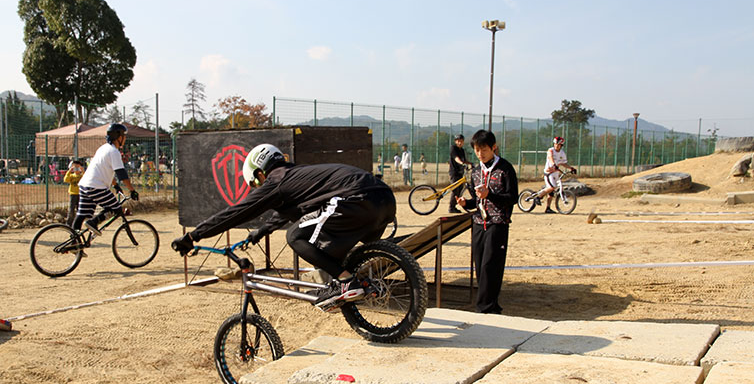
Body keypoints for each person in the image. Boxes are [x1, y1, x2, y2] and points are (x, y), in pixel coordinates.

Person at [171, 144, 396, 312]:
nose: (258, 188)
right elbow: (288, 213)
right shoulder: (298, 176)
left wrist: (194, 235)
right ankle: (355, 280)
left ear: (260, 172)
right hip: (384, 200)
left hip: (356, 200)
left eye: (255, 184)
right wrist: (262, 231)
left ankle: (347, 282)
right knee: (325, 241)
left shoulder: (276, 180)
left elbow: (236, 212)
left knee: (296, 236)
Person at [456, 130, 518, 314]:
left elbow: (512, 197)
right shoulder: (476, 172)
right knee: (479, 265)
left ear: (494, 148)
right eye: (476, 150)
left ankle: (486, 307)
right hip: (478, 223)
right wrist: (466, 203)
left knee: (491, 265)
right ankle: (487, 304)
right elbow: (478, 201)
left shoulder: (505, 169)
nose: (480, 154)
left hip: (498, 223)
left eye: (484, 149)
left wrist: (489, 194)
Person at [72, 123, 139, 236]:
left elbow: (104, 169)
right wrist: (132, 190)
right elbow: (121, 173)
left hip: (85, 185)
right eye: (124, 136)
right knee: (116, 208)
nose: (125, 138)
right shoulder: (114, 152)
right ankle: (94, 222)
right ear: (118, 137)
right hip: (96, 186)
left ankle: (74, 241)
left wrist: (115, 185)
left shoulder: (103, 148)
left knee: (82, 214)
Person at [536, 136, 577, 213]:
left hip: (555, 173)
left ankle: (548, 208)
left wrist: (571, 168)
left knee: (551, 192)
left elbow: (564, 163)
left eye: (558, 145)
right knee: (552, 187)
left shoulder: (562, 153)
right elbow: (550, 158)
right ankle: (538, 197)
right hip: (549, 173)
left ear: (561, 146)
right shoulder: (550, 150)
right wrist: (553, 164)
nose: (556, 146)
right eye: (555, 144)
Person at [448, 134, 472, 213]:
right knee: (455, 190)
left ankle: (454, 206)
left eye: (461, 141)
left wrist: (470, 163)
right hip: (454, 172)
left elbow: (464, 160)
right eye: (458, 141)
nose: (459, 143)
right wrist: (462, 163)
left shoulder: (462, 150)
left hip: (460, 172)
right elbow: (456, 158)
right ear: (455, 141)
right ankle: (451, 208)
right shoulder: (453, 148)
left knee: (460, 190)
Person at [63, 159, 85, 227]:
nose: (76, 169)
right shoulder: (72, 176)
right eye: (75, 167)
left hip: (80, 194)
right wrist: (69, 171)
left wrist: (83, 171)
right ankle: (69, 224)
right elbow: (65, 180)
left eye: (78, 167)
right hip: (73, 194)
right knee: (71, 210)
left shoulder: (82, 176)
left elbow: (86, 178)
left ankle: (78, 224)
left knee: (79, 210)